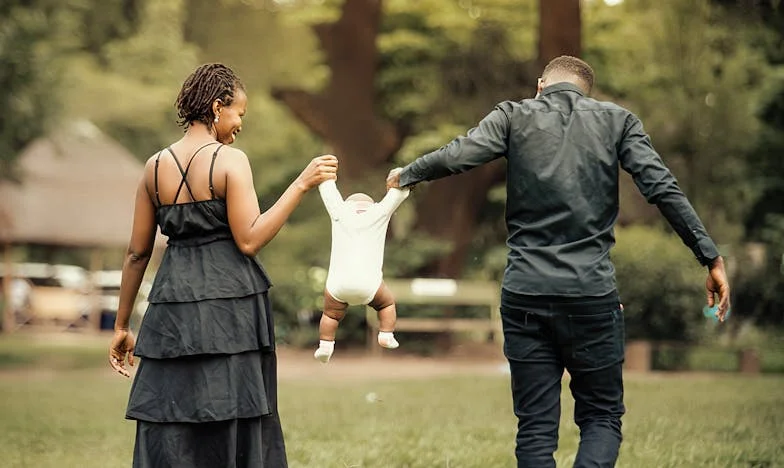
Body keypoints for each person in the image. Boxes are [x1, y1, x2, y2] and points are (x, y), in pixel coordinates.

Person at [386, 56, 731, 468]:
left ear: (540, 85)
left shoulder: (513, 116)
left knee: (534, 426)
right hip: (591, 294)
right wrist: (709, 256)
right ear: (586, 90)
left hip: (525, 293)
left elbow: (462, 153)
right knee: (601, 418)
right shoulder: (618, 121)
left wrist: (407, 173)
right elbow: (662, 189)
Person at [108, 63, 338, 468]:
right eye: (239, 114)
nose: (239, 124)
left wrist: (122, 324)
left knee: (170, 412)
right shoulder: (230, 161)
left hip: (172, 305)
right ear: (217, 108)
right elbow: (249, 239)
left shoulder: (153, 167)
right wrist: (300, 185)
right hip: (231, 305)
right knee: (233, 405)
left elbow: (136, 254)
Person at [313, 178, 409, 363]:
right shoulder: (379, 212)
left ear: (348, 204)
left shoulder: (339, 210)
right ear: (371, 205)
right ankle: (386, 334)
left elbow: (329, 192)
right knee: (386, 305)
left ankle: (325, 345)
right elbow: (396, 195)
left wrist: (326, 178)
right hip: (369, 284)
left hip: (337, 285)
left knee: (330, 315)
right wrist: (403, 184)